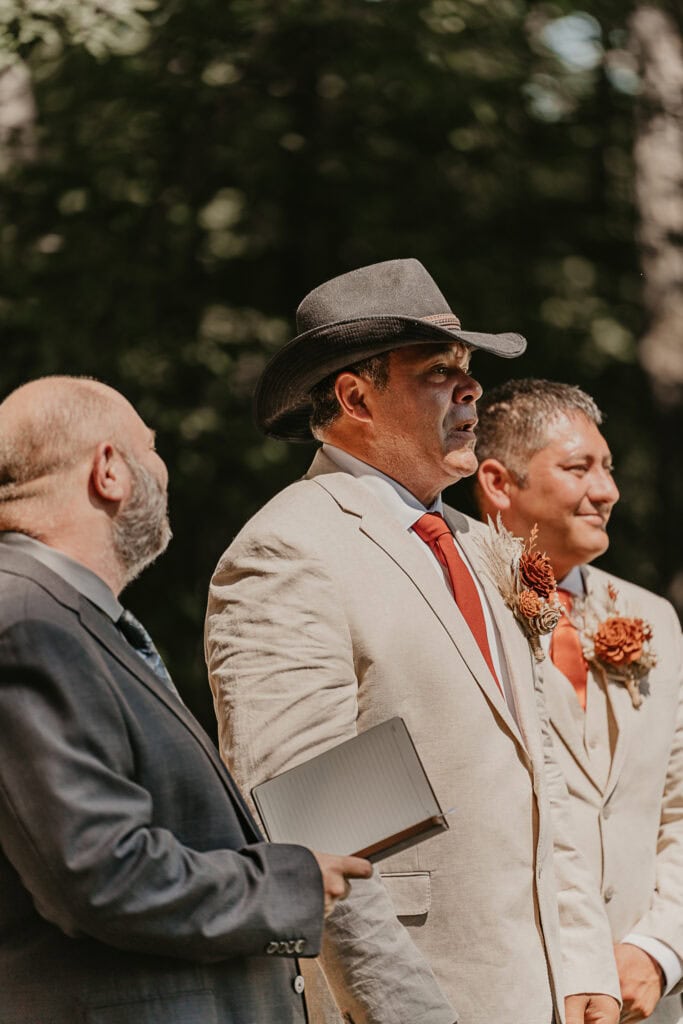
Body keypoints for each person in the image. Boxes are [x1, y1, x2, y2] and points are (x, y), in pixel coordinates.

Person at [205, 258, 621, 1024]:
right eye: (439, 372)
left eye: (469, 372)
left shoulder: (475, 541)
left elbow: (543, 774)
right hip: (417, 998)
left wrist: (581, 960)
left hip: (544, 994)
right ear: (355, 396)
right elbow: (312, 833)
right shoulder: (290, 548)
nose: (471, 391)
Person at [0, 375, 372, 1024]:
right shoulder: (28, 623)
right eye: (152, 448)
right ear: (109, 470)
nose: (163, 471)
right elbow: (100, 874)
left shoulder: (64, 618)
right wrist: (288, 883)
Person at [475, 378, 683, 1024]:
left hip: (640, 997)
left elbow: (678, 804)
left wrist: (656, 948)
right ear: (498, 482)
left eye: (608, 469)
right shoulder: (457, 611)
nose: (606, 491)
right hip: (509, 990)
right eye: (577, 468)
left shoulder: (650, 616)